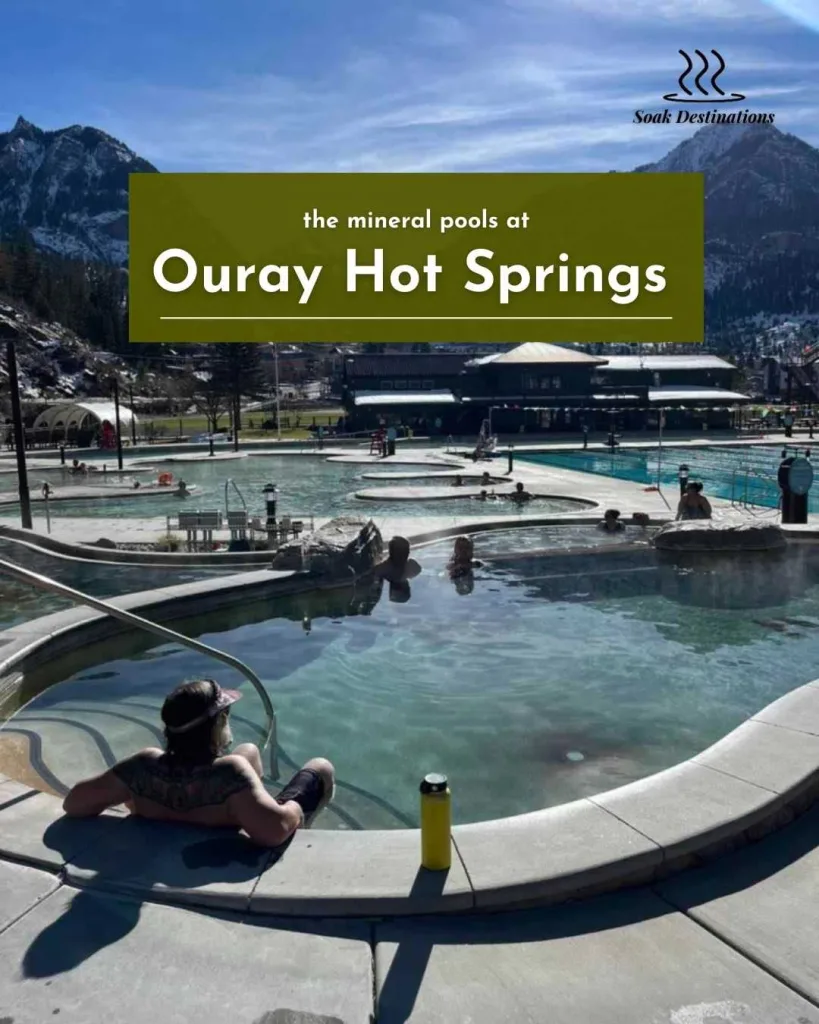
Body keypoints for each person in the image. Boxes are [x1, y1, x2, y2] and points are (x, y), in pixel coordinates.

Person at [62, 679, 335, 847]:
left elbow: (73, 803)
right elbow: (274, 831)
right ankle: (289, 826)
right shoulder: (229, 773)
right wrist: (295, 807)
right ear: (218, 724)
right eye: (225, 715)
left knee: (249, 750)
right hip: (222, 828)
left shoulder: (143, 766)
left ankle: (253, 804)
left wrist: (132, 797)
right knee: (321, 766)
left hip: (163, 817)